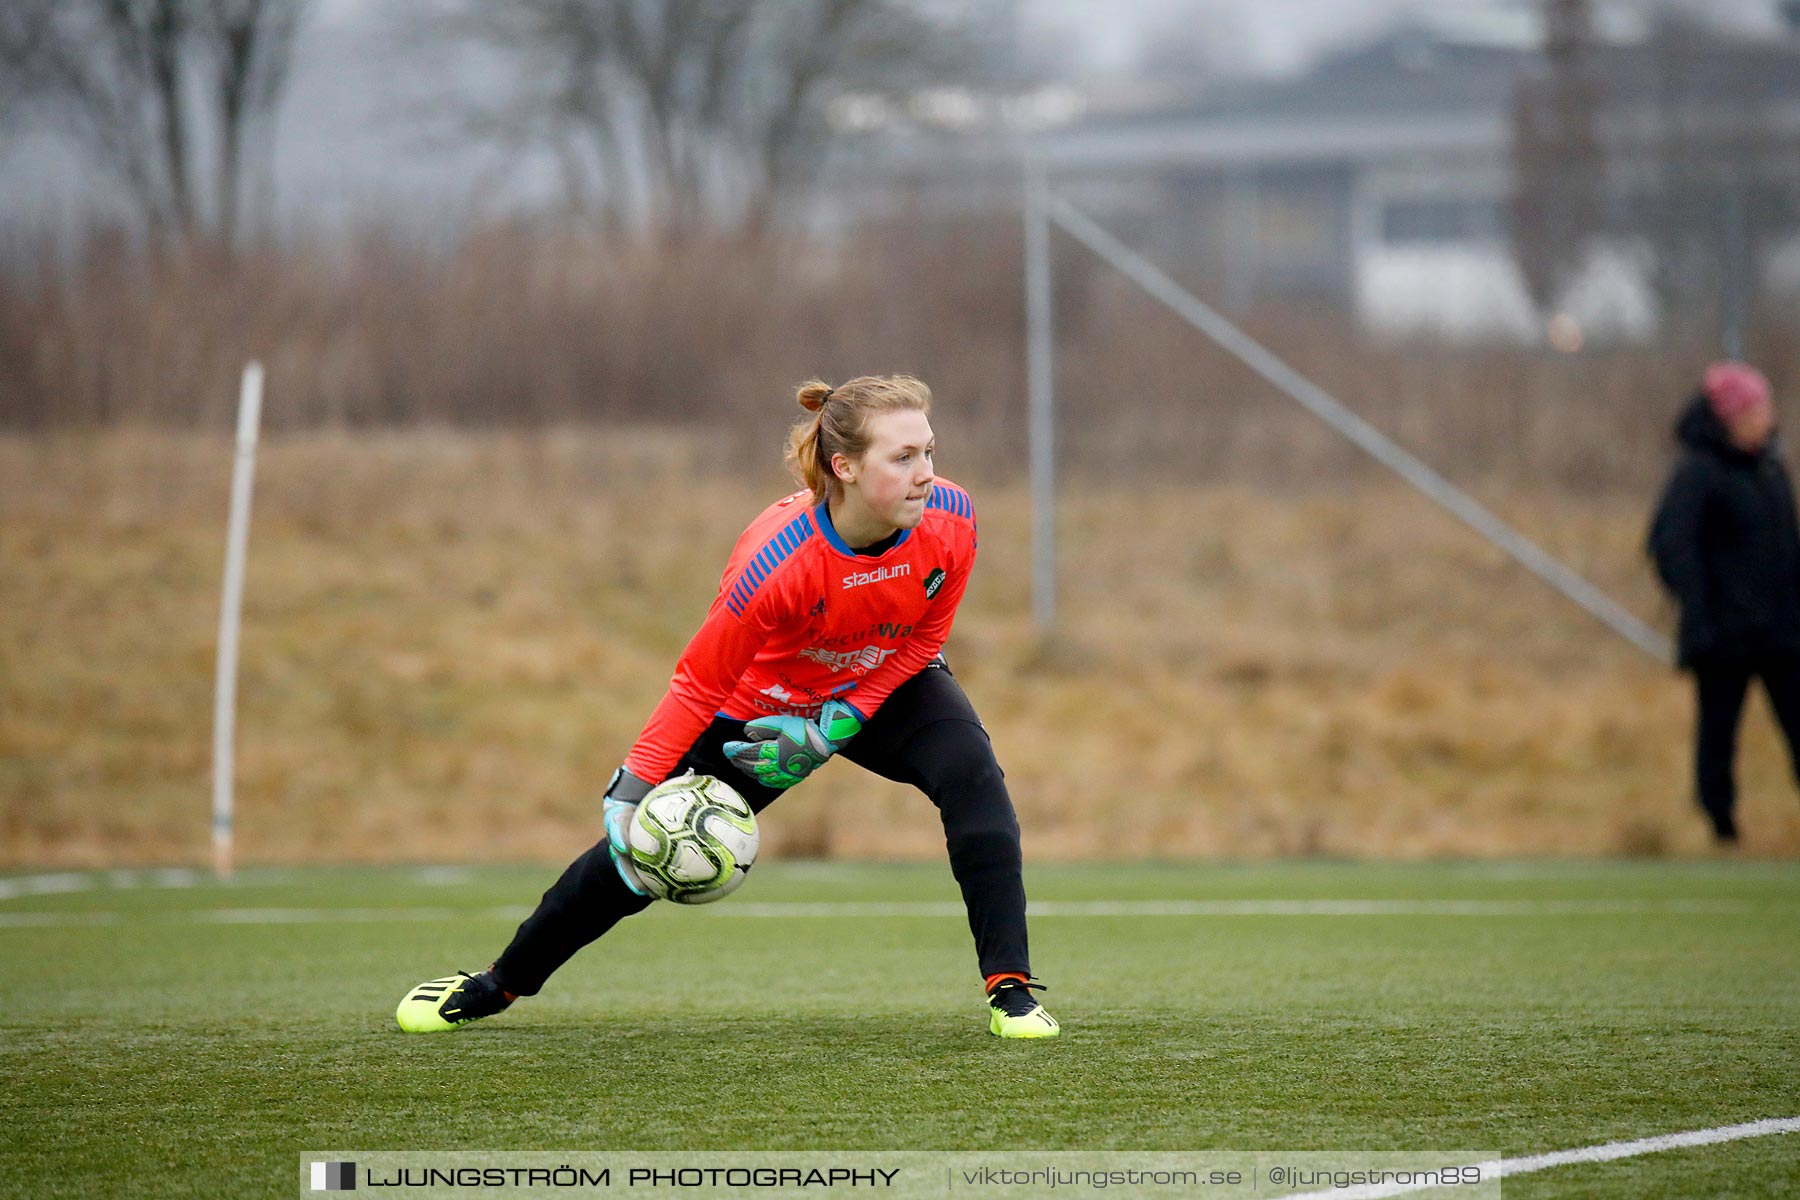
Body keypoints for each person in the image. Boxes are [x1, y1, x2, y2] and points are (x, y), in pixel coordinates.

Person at [395, 375, 1059, 1038]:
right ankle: (498, 982)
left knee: (974, 781)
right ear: (845, 467)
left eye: (929, 452)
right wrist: (633, 791)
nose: (926, 475)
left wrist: (833, 726)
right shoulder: (776, 559)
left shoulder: (953, 519)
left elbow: (923, 641)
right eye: (903, 457)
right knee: (639, 863)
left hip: (884, 681)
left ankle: (1011, 991)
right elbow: (699, 683)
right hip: (762, 711)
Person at [1648, 361, 1800, 844]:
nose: (1765, 419)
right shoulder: (1698, 474)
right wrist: (1700, 608)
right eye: (1753, 410)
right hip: (1723, 634)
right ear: (1728, 417)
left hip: (1781, 630)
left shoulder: (1771, 472)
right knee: (1718, 735)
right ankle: (1722, 827)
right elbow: (1671, 544)